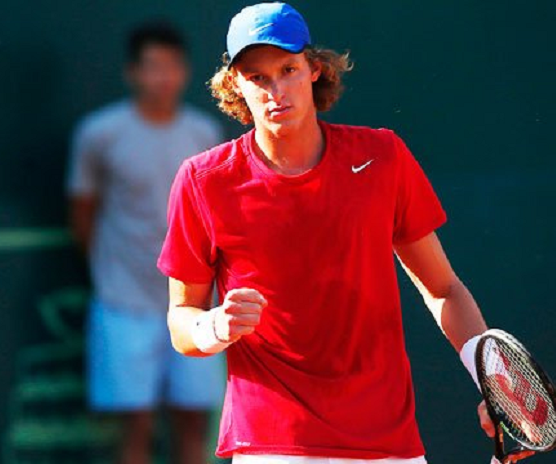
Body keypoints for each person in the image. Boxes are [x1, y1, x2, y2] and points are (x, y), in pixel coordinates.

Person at [157, 3, 496, 463]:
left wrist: (493, 384)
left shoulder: (383, 156)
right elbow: (182, 320)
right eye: (257, 77)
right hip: (273, 442)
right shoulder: (204, 180)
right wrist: (216, 325)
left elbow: (443, 289)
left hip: (387, 443)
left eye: (288, 69)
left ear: (315, 70)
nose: (276, 90)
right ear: (236, 84)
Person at [66, 21, 224, 464]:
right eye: (153, 66)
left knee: (193, 423)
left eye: (172, 66)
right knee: (134, 426)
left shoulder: (204, 135)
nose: (163, 77)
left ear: (186, 72)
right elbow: (82, 212)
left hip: (195, 306)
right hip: (123, 304)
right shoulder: (99, 133)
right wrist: (113, 273)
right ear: (132, 72)